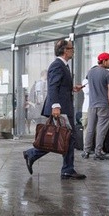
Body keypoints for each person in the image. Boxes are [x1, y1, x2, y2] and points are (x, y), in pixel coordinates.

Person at [22, 39, 85, 180]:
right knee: (60, 137)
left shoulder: (64, 65)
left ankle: (67, 169)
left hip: (63, 106)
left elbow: (60, 85)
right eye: (71, 48)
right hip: (60, 107)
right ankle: (32, 154)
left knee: (66, 138)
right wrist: (55, 105)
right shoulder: (57, 65)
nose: (73, 50)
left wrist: (72, 88)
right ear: (64, 50)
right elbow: (52, 86)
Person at [82, 52, 109, 161]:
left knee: (90, 128)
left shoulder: (90, 72)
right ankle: (98, 152)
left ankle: (86, 151)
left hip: (91, 105)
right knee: (101, 129)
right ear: (104, 61)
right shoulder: (108, 74)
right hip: (104, 105)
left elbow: (86, 83)